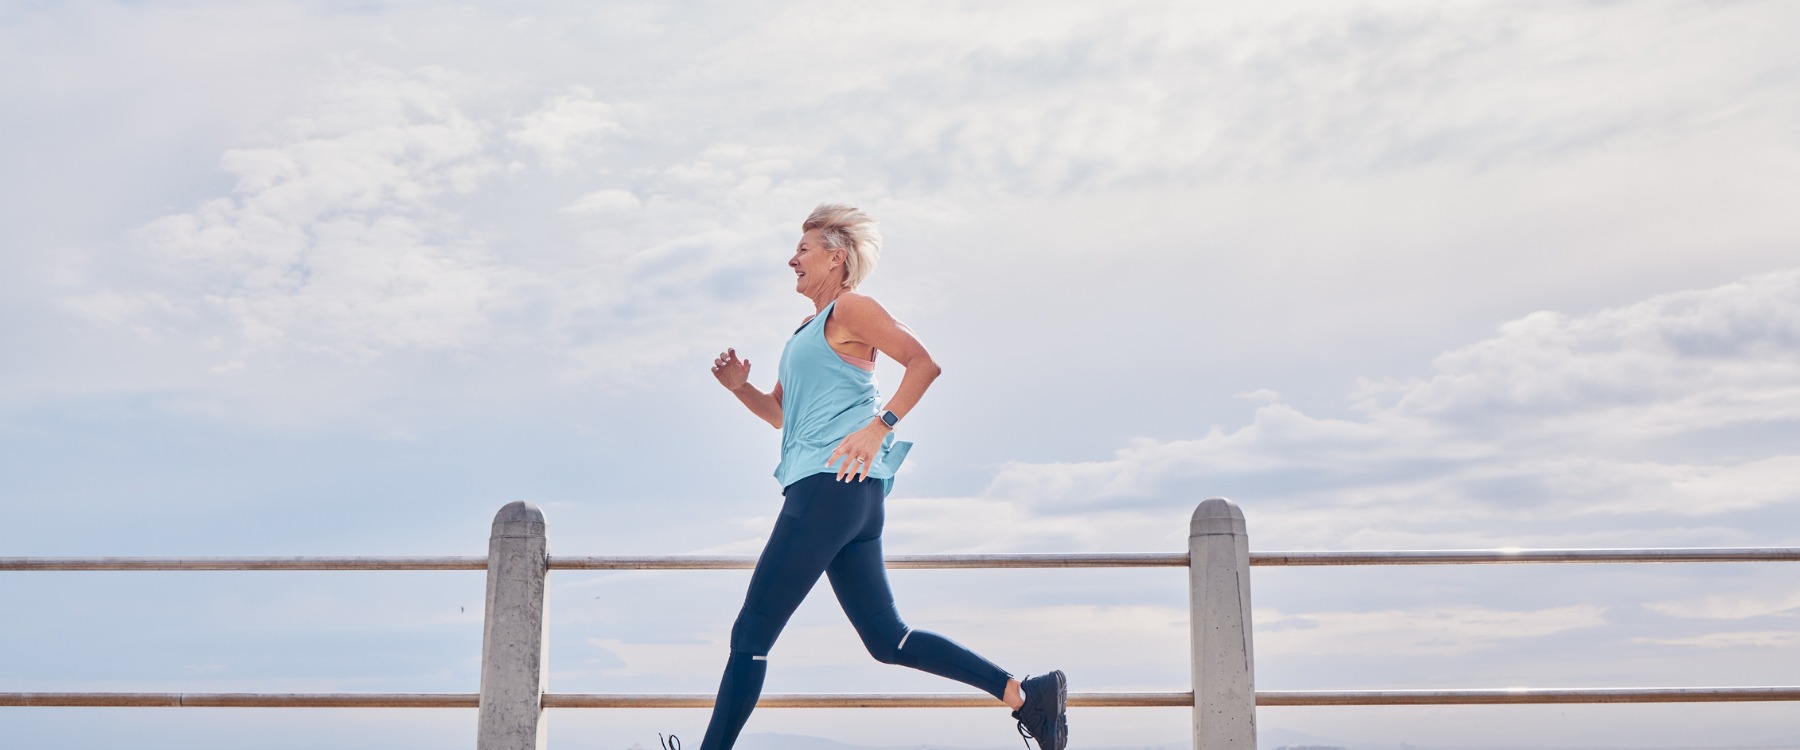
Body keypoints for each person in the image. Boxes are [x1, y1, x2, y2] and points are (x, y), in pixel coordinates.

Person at [694, 204, 1067, 750]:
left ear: (835, 258)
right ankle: (1025, 695)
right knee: (888, 639)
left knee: (750, 636)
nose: (791, 259)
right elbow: (782, 416)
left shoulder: (852, 307)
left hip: (828, 489)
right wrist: (738, 389)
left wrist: (879, 428)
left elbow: (923, 363)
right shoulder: (807, 329)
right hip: (846, 498)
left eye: (803, 249)